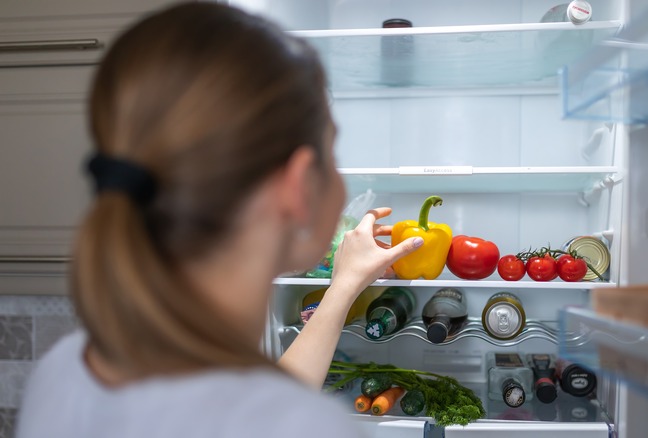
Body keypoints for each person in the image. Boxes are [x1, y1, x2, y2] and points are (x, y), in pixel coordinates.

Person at [15, 3, 423, 437]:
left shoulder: (63, 370)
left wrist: (342, 287)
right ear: (299, 185)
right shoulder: (307, 426)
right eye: (331, 152)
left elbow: (260, 404)